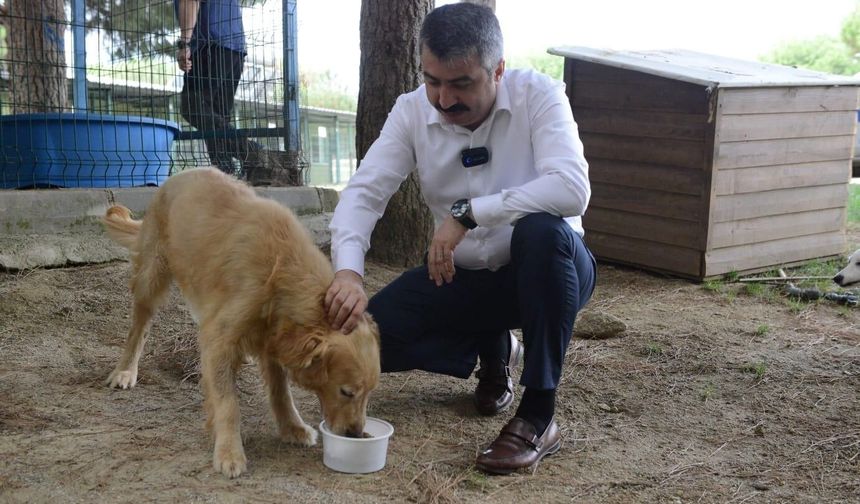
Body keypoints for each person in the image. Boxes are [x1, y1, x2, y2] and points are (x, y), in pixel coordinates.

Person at [324, 3, 596, 475]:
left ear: (498, 70)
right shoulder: (411, 111)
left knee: (540, 231)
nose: (443, 99)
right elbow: (365, 192)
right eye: (432, 80)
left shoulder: (540, 94)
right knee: (367, 340)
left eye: (461, 84)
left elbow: (572, 189)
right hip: (467, 278)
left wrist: (470, 214)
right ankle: (490, 349)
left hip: (553, 270)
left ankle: (537, 414)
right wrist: (347, 271)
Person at [174, 0, 265, 178]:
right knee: (216, 116)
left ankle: (254, 153)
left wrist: (184, 44)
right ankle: (225, 175)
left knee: (193, 108)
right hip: (235, 48)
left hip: (209, 45)